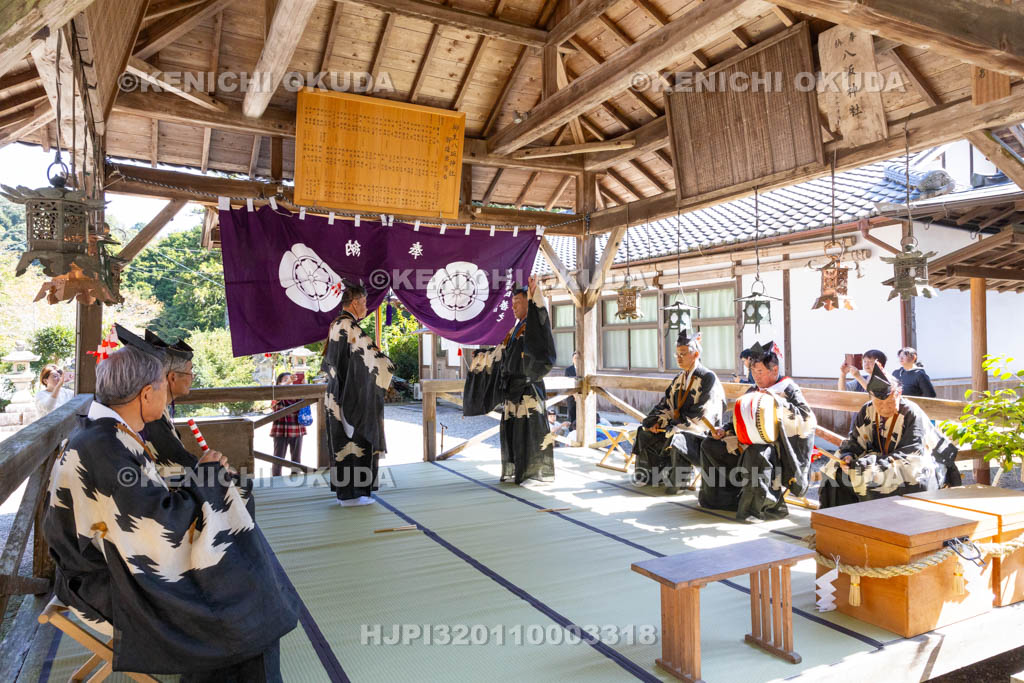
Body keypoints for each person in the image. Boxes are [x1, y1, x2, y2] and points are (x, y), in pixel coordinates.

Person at [42, 341, 299, 680]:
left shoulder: (103, 433)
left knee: (242, 585)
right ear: (146, 394)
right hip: (106, 585)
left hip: (106, 565)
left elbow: (145, 507)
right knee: (243, 612)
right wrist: (206, 476)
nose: (167, 391)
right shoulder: (105, 448)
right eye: (164, 383)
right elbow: (160, 530)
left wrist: (203, 479)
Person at [700, 341, 817, 521]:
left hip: (778, 448)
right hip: (747, 441)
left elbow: (806, 417)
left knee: (757, 452)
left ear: (774, 370)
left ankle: (761, 508)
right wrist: (724, 430)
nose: (755, 376)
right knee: (711, 445)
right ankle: (725, 499)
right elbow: (739, 419)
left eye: (760, 371)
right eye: (753, 371)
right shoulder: (754, 389)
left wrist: (779, 403)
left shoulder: (788, 388)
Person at [819, 365, 959, 508]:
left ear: (899, 394)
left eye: (890, 402)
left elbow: (911, 453)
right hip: (879, 458)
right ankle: (841, 521)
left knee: (880, 475)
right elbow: (855, 440)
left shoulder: (912, 413)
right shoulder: (867, 409)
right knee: (834, 470)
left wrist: (868, 464)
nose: (885, 408)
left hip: (915, 463)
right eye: (879, 403)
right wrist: (848, 456)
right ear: (871, 398)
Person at [464, 276, 557, 484]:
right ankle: (517, 469)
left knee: (529, 431)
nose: (513, 307)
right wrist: (481, 356)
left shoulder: (534, 328)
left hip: (528, 390)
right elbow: (500, 353)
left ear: (529, 303)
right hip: (511, 391)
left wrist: (535, 294)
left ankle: (532, 471)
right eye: (512, 304)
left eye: (518, 303)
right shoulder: (514, 331)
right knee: (513, 432)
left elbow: (540, 315)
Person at [323, 283, 394, 506]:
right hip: (350, 395)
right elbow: (373, 360)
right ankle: (354, 495)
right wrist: (389, 365)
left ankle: (348, 494)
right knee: (355, 443)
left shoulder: (336, 324)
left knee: (343, 442)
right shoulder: (350, 326)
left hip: (336, 393)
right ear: (354, 302)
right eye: (364, 302)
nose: (366, 307)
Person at [633, 329, 724, 494]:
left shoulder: (708, 378)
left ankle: (679, 483)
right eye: (677, 355)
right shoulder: (679, 379)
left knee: (677, 438)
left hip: (699, 433)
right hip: (678, 425)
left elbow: (704, 413)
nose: (679, 358)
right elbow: (666, 404)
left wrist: (673, 426)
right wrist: (656, 421)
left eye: (683, 354)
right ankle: (650, 476)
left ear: (695, 354)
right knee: (644, 431)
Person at [137, 328, 199, 484]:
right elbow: (176, 460)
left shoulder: (157, 408)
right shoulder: (152, 415)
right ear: (172, 377)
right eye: (190, 371)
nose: (192, 377)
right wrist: (212, 467)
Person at [270, 372, 306, 476]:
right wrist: (288, 382)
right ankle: (276, 479)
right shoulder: (275, 392)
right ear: (279, 383)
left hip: (297, 428)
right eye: (285, 380)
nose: (289, 382)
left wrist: (304, 385)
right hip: (281, 429)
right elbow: (275, 400)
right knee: (278, 458)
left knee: (296, 458)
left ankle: (296, 479)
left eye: (291, 379)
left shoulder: (299, 393)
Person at [564, 351, 580, 430]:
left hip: (581, 395)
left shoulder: (583, 369)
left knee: (581, 414)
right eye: (575, 358)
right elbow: (568, 384)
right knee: (572, 415)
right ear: (572, 359)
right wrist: (575, 395)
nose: (576, 360)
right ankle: (572, 432)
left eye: (578, 358)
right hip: (571, 396)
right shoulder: (568, 370)